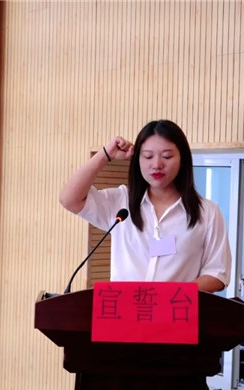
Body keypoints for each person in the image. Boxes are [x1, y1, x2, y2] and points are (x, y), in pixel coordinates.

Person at [59, 119, 231, 293]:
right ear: (138, 160)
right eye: (148, 156)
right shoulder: (121, 202)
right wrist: (105, 155)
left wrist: (168, 296)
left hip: (175, 309)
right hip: (123, 309)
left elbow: (217, 274)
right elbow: (69, 199)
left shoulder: (207, 213)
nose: (156, 165)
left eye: (167, 156)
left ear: (182, 159)